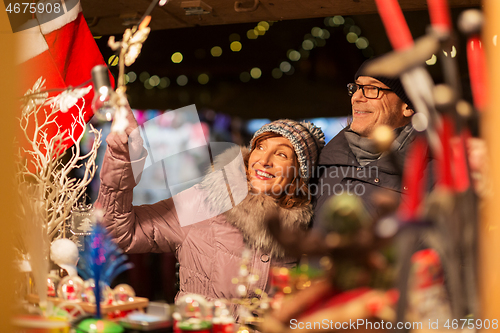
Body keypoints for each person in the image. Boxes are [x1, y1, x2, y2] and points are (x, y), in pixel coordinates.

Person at [96, 114, 325, 317]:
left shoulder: (304, 231)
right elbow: (118, 233)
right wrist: (121, 159)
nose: (264, 160)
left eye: (282, 154)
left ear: (299, 174)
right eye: (261, 147)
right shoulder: (205, 201)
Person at [313, 59, 417, 222]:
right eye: (357, 87)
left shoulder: (431, 173)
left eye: (372, 88)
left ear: (407, 106)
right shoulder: (320, 164)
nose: (356, 97)